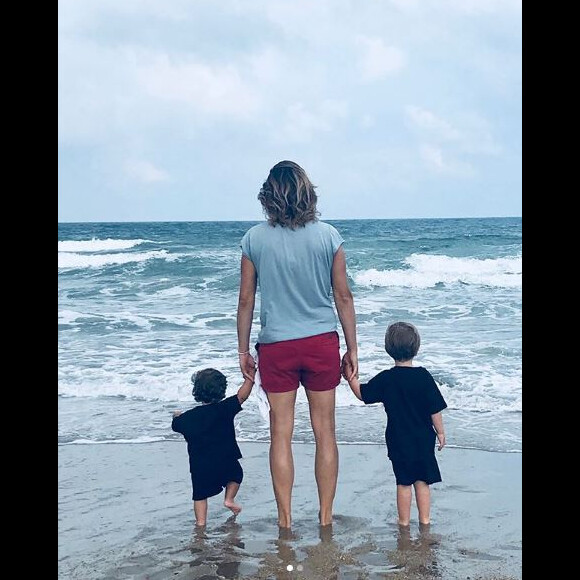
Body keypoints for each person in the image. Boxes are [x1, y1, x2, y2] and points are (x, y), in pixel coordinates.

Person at [236, 160, 358, 528]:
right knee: (325, 432)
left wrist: (243, 350)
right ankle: (324, 519)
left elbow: (246, 301)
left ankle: (285, 520)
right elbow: (343, 296)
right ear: (308, 193)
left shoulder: (254, 239)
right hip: (321, 342)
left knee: (281, 434)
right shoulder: (329, 236)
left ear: (268, 196)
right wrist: (352, 349)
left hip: (276, 347)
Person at [342, 321, 447, 527]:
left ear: (388, 349)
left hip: (398, 439)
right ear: (416, 347)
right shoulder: (423, 376)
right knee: (423, 481)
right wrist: (441, 433)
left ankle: (404, 522)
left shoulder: (387, 379)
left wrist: (349, 377)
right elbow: (435, 409)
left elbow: (362, 394)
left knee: (404, 482)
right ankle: (425, 520)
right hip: (423, 438)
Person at [171, 367, 255, 527]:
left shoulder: (188, 418)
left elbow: (176, 425)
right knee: (236, 475)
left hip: (200, 465)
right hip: (226, 459)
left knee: (200, 495)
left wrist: (176, 415)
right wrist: (249, 379)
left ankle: (201, 523)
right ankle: (229, 500)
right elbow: (242, 396)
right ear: (222, 390)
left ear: (196, 391)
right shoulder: (225, 408)